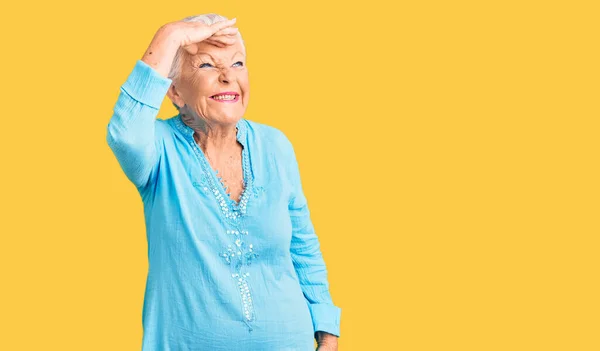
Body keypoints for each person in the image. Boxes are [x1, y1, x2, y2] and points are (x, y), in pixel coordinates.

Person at [106, 13, 341, 351]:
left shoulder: (275, 145)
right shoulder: (159, 149)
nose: (228, 76)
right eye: (206, 66)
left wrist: (327, 331)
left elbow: (303, 246)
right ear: (173, 90)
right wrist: (169, 35)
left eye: (238, 63)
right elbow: (124, 132)